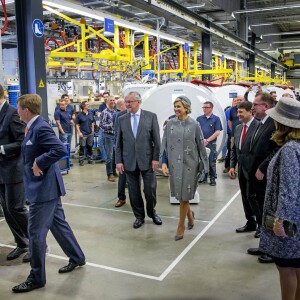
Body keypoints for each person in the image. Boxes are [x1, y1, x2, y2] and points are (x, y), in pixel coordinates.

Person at [13, 94, 85, 293]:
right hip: (46, 187)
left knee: (35, 234)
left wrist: (39, 161)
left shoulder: (41, 127)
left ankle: (36, 277)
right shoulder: (32, 126)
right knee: (59, 226)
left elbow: (59, 148)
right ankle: (77, 257)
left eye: (18, 108)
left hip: (43, 190)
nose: (17, 111)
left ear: (26, 110)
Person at [259, 97, 300, 300]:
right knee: (296, 267)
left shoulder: (290, 150)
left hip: (290, 223)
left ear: (281, 123)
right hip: (297, 218)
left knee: (287, 268)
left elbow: (289, 188)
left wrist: (280, 220)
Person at [161, 96, 208, 240]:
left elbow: (201, 146)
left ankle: (180, 227)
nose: (176, 109)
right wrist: (164, 163)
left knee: (185, 196)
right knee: (180, 196)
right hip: (175, 164)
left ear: (186, 108)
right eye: (175, 106)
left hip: (190, 165)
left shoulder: (194, 125)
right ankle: (190, 216)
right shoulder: (170, 124)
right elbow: (165, 145)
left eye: (179, 106)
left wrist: (205, 166)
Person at [115, 91, 162, 229]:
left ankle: (152, 213)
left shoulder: (150, 117)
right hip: (129, 161)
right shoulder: (121, 118)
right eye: (126, 102)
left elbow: (156, 141)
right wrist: (118, 161)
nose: (127, 104)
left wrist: (155, 158)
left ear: (139, 102)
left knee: (150, 191)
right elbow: (118, 142)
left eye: (130, 102)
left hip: (147, 161)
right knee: (134, 192)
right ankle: (139, 217)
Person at [0, 84, 29, 262]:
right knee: (7, 210)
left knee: (16, 209)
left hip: (13, 170)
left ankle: (36, 243)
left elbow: (22, 141)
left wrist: (2, 148)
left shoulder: (12, 113)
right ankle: (22, 243)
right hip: (1, 171)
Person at [229, 101, 259, 233]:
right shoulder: (238, 128)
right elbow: (235, 149)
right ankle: (250, 222)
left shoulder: (259, 127)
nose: (238, 114)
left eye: (241, 112)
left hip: (254, 169)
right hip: (241, 169)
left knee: (254, 198)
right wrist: (232, 166)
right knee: (245, 197)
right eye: (237, 111)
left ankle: (261, 225)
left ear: (250, 111)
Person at [196, 101, 222, 186]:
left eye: (206, 107)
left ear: (211, 108)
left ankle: (213, 178)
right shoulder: (199, 119)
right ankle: (203, 177)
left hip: (211, 143)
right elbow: (196, 131)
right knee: (202, 161)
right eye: (203, 107)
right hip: (201, 143)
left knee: (211, 161)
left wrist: (208, 140)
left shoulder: (216, 119)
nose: (204, 109)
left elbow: (217, 132)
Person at [113, 98, 128, 207]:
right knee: (122, 176)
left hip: (137, 153)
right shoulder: (120, 116)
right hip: (124, 151)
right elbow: (117, 135)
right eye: (126, 102)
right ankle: (121, 198)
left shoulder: (143, 115)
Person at [100, 96, 117, 182]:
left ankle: (114, 171)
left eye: (114, 100)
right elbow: (102, 125)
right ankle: (109, 174)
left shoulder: (116, 112)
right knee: (109, 156)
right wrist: (112, 125)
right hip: (108, 136)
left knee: (115, 155)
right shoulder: (105, 112)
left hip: (116, 136)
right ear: (107, 101)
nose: (112, 102)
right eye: (111, 100)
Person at [75, 101, 95, 166]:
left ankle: (90, 159)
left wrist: (92, 131)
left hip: (90, 134)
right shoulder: (79, 115)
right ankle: (81, 160)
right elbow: (77, 125)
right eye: (87, 104)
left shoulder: (90, 114)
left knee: (90, 147)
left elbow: (92, 122)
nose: (88, 105)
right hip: (83, 134)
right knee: (82, 147)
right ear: (83, 106)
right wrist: (79, 132)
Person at [98, 91, 110, 162]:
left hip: (111, 128)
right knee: (100, 143)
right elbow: (99, 115)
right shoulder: (101, 105)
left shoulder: (113, 105)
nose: (105, 98)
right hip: (102, 128)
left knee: (109, 144)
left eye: (106, 97)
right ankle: (106, 159)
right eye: (104, 97)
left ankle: (110, 159)